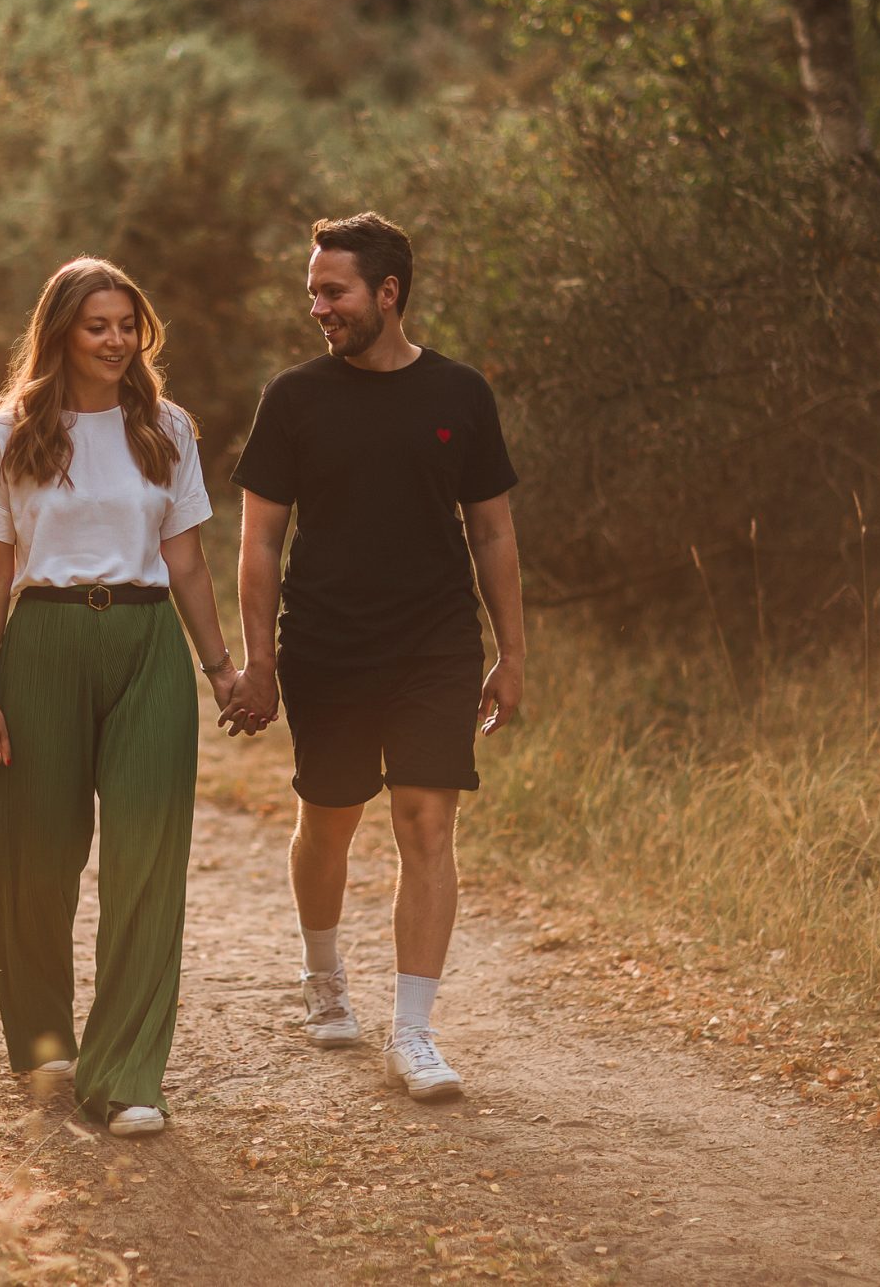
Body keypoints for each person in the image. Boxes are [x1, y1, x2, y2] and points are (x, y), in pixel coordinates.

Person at [221, 212, 525, 1102]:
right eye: (314, 291)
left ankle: (414, 1033)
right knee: (331, 819)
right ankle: (324, 978)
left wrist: (512, 652)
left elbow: (494, 532)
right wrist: (261, 661)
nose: (319, 306)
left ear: (387, 294)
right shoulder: (295, 397)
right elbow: (259, 542)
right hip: (327, 643)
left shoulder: (461, 394)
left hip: (435, 641)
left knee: (428, 820)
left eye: (334, 291)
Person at [0, 257, 239, 1137]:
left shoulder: (167, 428)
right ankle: (47, 1040)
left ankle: (126, 1075)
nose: (117, 340)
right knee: (32, 857)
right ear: (61, 335)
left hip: (148, 641)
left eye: (127, 324)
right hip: (41, 642)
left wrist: (221, 668)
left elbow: (190, 562)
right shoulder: (8, 434)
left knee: (147, 861)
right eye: (98, 326)